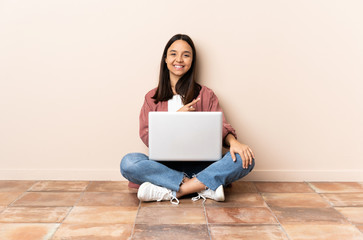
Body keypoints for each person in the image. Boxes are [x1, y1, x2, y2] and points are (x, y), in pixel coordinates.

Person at [120, 34, 255, 205]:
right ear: (166, 59)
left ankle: (173, 191)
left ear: (192, 61)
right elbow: (147, 137)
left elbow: (220, 126)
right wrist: (176, 117)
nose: (179, 59)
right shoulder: (152, 97)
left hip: (203, 165)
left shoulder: (206, 94)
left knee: (245, 158)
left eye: (186, 55)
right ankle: (203, 187)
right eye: (173, 54)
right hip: (165, 167)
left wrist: (234, 142)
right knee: (129, 162)